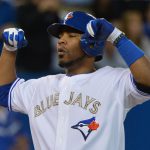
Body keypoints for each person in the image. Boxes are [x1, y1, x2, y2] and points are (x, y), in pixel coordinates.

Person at [0, 11, 150, 150]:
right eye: (60, 37)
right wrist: (9, 50)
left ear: (93, 44)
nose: (61, 41)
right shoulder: (41, 86)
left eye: (71, 35)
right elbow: (4, 92)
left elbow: (147, 79)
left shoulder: (114, 81)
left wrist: (116, 37)